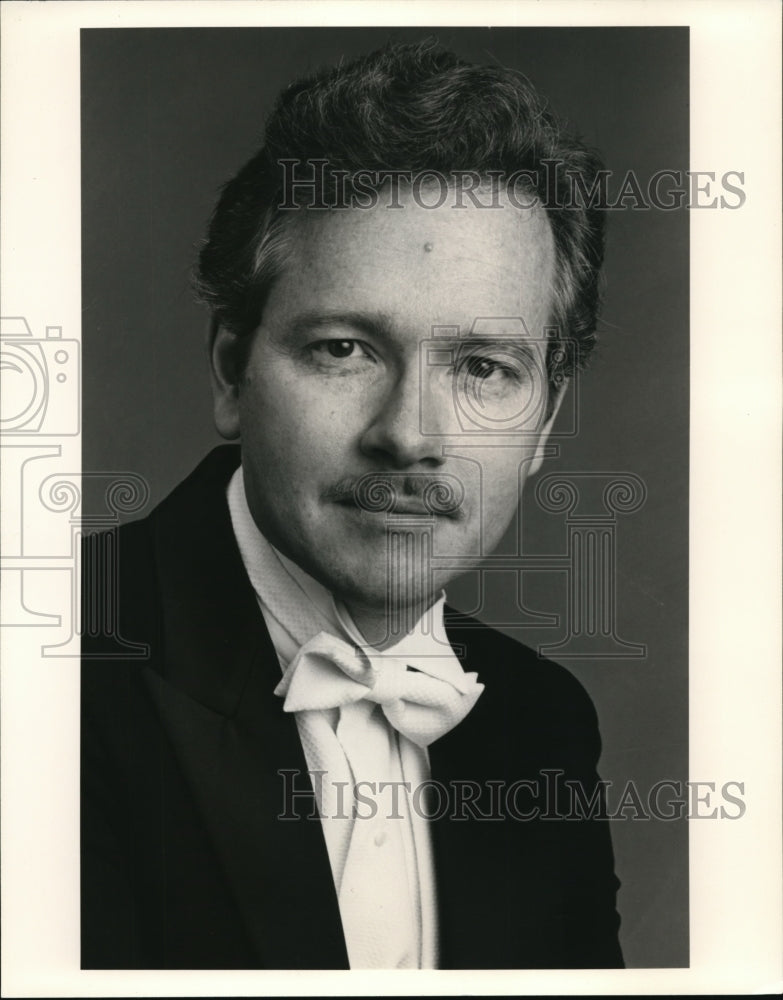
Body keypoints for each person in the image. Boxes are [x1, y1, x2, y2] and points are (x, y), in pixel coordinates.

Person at [81, 40, 623, 970]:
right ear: (229, 371)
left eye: (484, 367)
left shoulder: (542, 722)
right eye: (344, 349)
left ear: (542, 422)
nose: (409, 435)